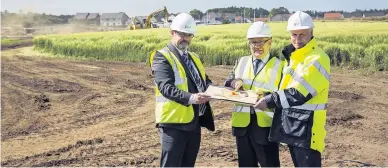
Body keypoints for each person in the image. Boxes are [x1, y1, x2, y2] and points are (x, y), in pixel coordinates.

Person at [254, 11, 331, 167]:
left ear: (311, 33)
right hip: (293, 125)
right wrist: (266, 95)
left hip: (307, 129)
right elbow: (287, 88)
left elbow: (299, 93)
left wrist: (269, 100)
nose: (297, 39)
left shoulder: (317, 58)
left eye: (302, 34)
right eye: (294, 34)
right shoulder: (294, 57)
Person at [148, 13, 215, 167]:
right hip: (173, 125)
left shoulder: (194, 58)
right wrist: (192, 98)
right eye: (181, 34)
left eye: (188, 35)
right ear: (172, 33)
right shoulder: (161, 57)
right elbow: (165, 87)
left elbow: (205, 82)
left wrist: (222, 90)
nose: (185, 38)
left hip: (194, 122)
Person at [224, 21, 284, 167]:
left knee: (269, 164)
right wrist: (234, 82)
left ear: (270, 42)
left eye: (261, 42)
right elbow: (228, 81)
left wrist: (266, 96)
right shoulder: (242, 61)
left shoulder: (279, 65)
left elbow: (283, 94)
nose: (257, 46)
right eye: (253, 42)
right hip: (242, 125)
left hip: (265, 125)